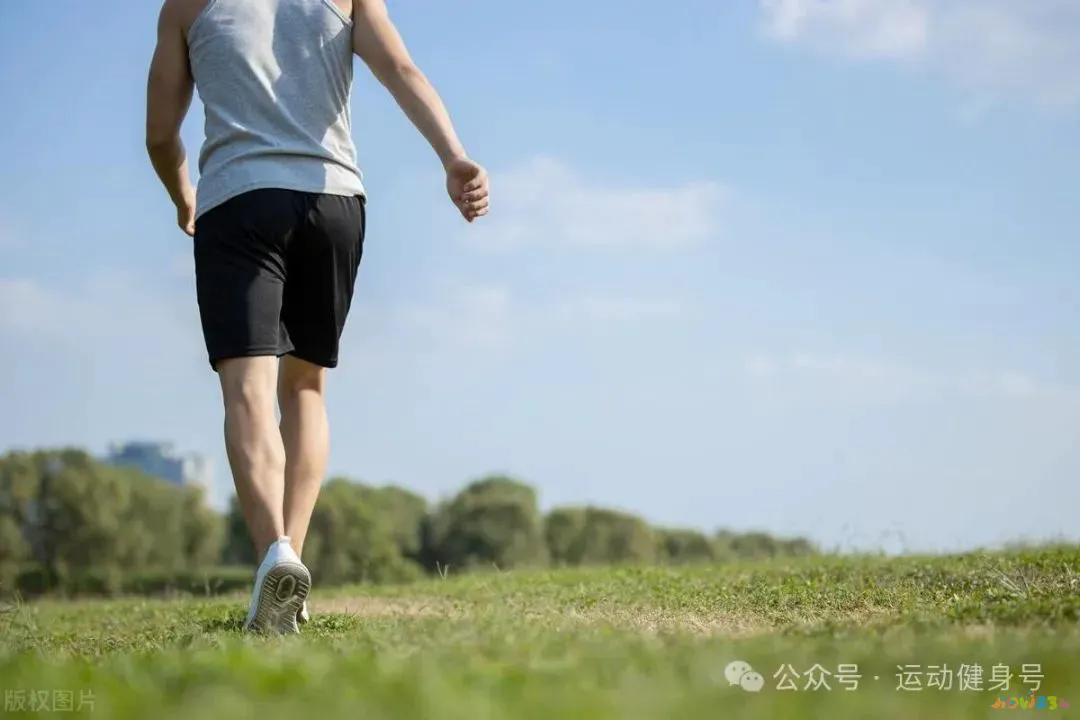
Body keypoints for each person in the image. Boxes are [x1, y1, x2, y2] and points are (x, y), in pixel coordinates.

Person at [144, 0, 489, 634]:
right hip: (333, 201)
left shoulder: (185, 6)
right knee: (304, 387)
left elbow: (161, 134)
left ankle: (273, 554)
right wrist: (453, 157)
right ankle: (291, 568)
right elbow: (404, 72)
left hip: (240, 202)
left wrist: (182, 196)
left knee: (246, 392)